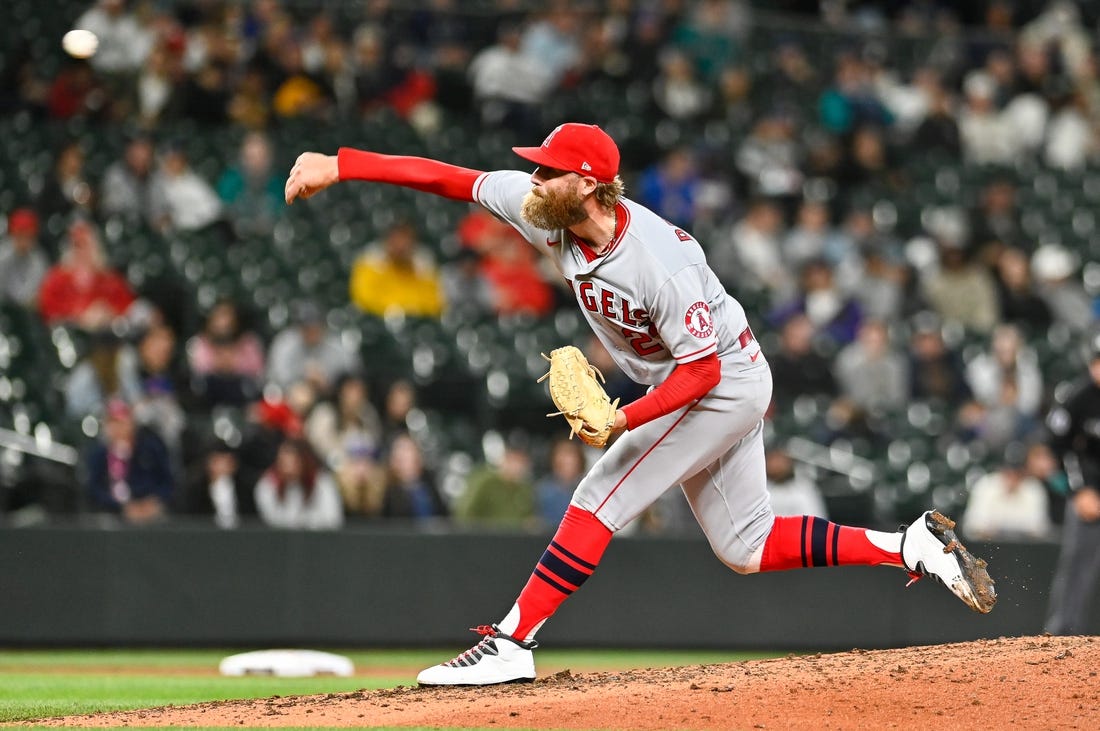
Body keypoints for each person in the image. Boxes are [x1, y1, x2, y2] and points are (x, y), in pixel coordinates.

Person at [285, 121, 995, 686]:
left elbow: (700, 372)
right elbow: (448, 177)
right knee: (745, 547)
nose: (533, 178)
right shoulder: (545, 212)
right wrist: (339, 164)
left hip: (721, 379)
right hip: (712, 375)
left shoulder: (659, 258)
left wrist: (625, 418)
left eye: (547, 168)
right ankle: (910, 544)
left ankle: (512, 639)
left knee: (600, 494)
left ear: (588, 184)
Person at [1044, 335, 1100, 635]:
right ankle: (1062, 635)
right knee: (1077, 564)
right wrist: (1078, 491)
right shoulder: (1077, 398)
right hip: (1088, 493)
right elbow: (1059, 448)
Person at [0, 208, 49, 308]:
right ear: (12, 235)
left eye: (27, 236)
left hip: (27, 312)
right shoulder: (3, 254)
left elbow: (36, 297)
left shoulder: (39, 259)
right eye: (19, 235)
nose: (23, 241)